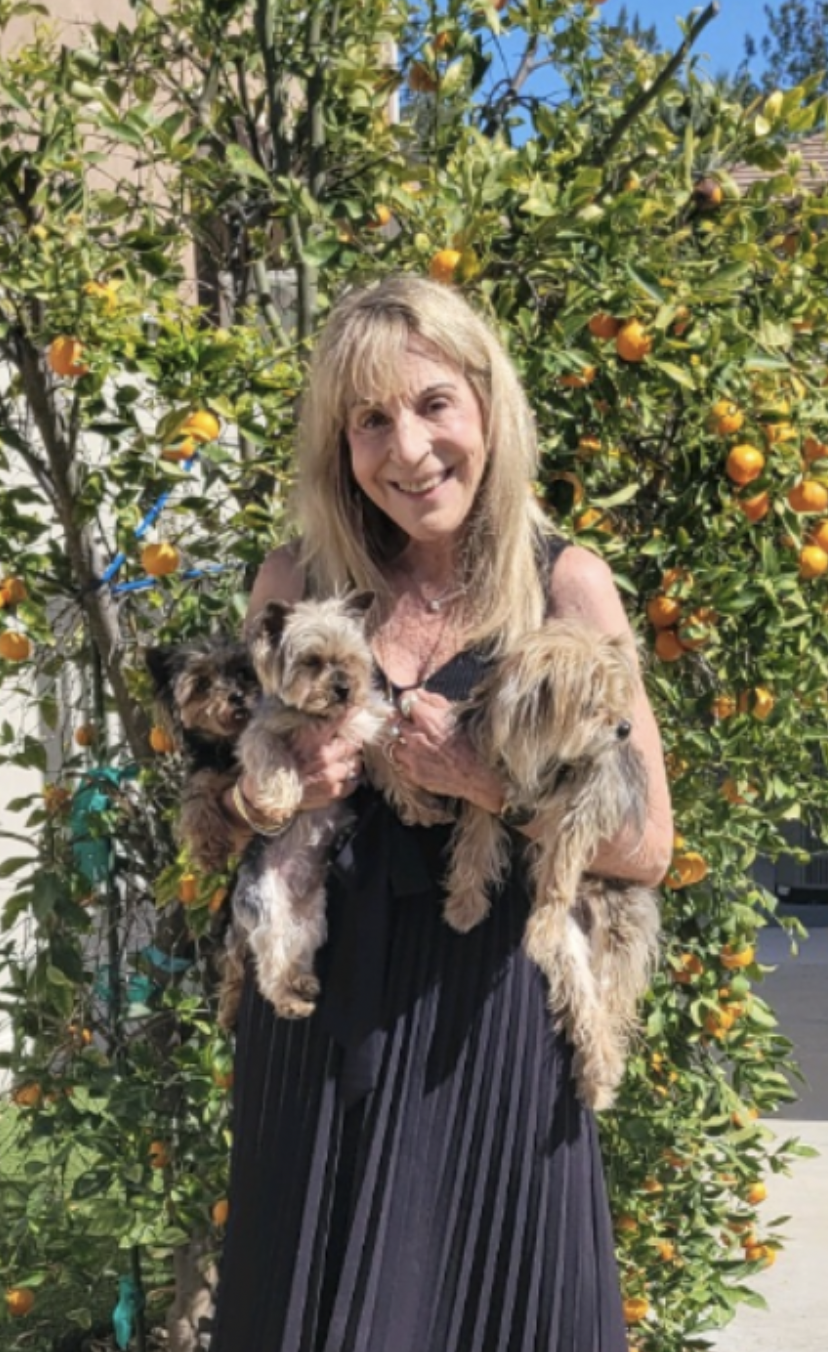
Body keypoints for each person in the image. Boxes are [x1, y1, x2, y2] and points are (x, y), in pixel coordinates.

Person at [209, 274, 673, 1352]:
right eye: (370, 419)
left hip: (490, 1025)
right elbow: (222, 807)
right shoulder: (296, 578)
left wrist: (489, 783)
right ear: (340, 445)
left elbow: (649, 844)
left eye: (432, 405)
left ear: (487, 406)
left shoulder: (569, 587)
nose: (407, 449)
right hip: (319, 1023)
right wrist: (271, 789)